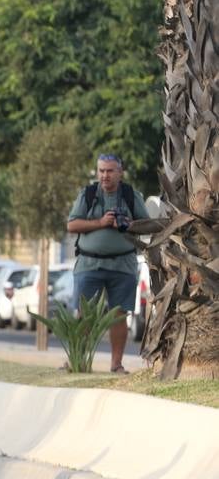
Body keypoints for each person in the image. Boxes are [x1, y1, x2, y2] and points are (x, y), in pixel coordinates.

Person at [66, 153, 149, 373]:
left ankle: (116, 364)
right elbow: (72, 225)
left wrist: (129, 224)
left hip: (123, 265)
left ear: (120, 173)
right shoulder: (88, 194)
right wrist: (101, 222)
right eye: (101, 170)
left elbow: (150, 225)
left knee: (119, 316)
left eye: (110, 170)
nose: (105, 175)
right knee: (84, 315)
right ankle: (77, 361)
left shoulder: (131, 195)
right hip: (89, 265)